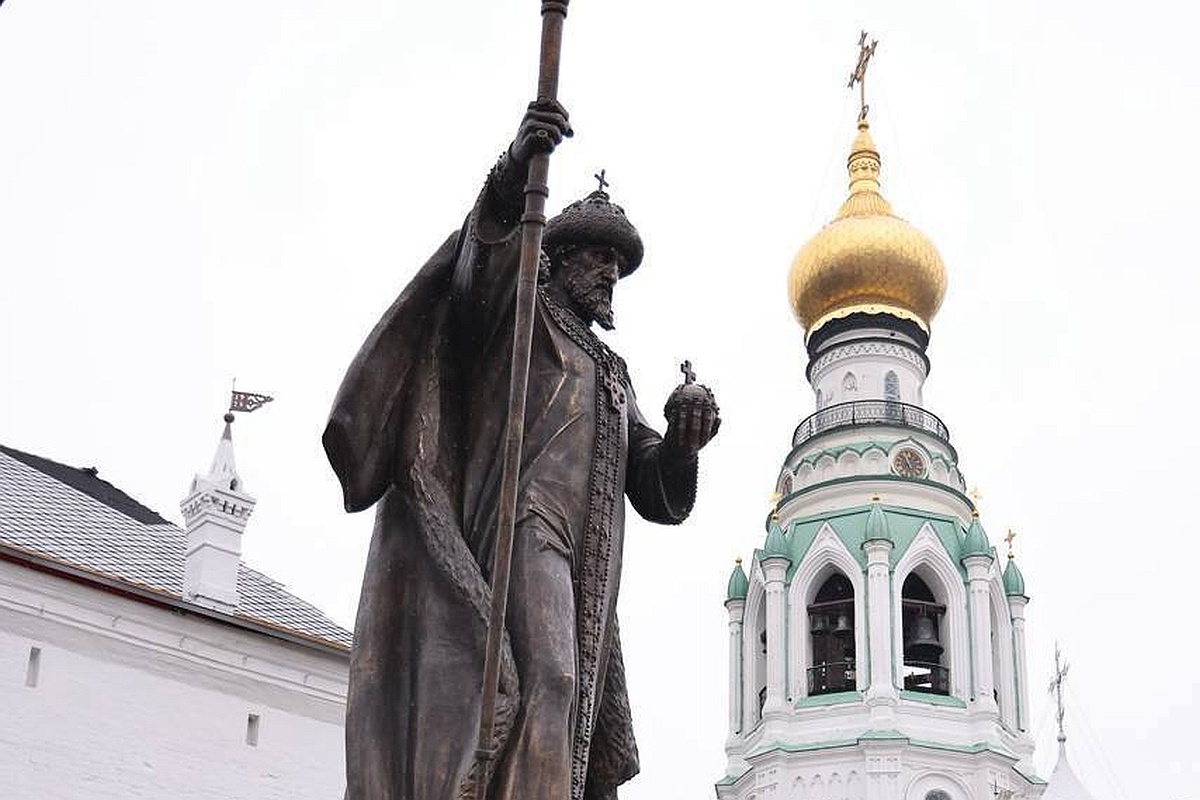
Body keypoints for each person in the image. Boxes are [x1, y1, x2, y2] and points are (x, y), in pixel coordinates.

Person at [323, 101, 719, 800]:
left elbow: (656, 489)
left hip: (585, 562)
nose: (609, 275)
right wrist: (512, 175)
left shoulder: (611, 371)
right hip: (519, 527)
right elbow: (481, 267)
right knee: (551, 680)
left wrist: (684, 443)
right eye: (598, 257)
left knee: (572, 701)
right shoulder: (520, 316)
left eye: (617, 265)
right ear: (558, 257)